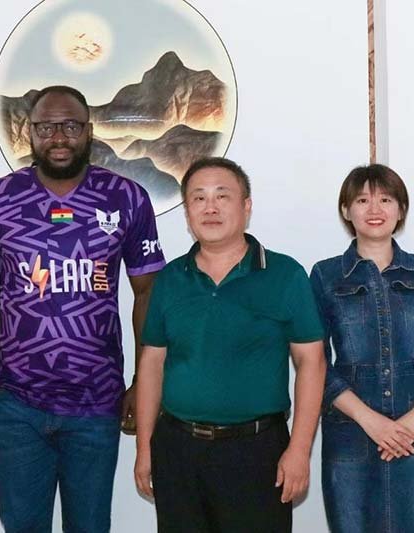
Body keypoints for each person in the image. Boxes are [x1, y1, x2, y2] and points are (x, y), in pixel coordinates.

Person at [0, 85, 166, 532]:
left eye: (70, 126)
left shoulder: (126, 198)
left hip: (97, 403)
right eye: (46, 127)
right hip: (18, 405)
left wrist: (141, 385)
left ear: (89, 131)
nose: (59, 137)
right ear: (29, 133)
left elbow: (148, 293)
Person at [134, 157, 326, 532]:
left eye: (222, 196)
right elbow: (152, 363)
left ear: (246, 206)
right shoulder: (170, 278)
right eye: (198, 198)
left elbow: (312, 363)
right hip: (178, 450)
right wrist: (145, 448)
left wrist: (300, 450)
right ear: (187, 212)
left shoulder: (284, 274)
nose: (210, 207)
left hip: (256, 451)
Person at [309, 164, 414, 533]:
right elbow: (315, 361)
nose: (374, 209)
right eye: (362, 200)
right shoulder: (325, 275)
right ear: (346, 210)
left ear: (401, 209)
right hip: (350, 430)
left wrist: (413, 422)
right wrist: (370, 420)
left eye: (386, 200)